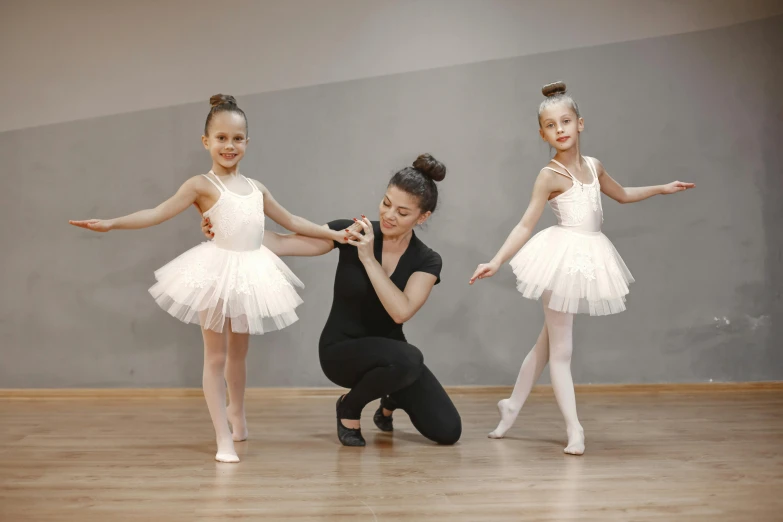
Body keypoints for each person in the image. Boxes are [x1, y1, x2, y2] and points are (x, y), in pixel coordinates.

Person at [70, 95, 345, 463]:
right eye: (221, 138)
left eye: (237, 138)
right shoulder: (200, 185)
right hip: (215, 273)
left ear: (248, 142)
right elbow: (156, 213)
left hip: (251, 274)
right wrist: (112, 223)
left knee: (240, 354)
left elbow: (293, 222)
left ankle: (238, 413)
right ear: (206, 141)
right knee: (215, 357)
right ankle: (222, 439)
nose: (229, 146)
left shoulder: (257, 188)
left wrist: (337, 235)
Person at [469, 81, 695, 455]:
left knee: (547, 344)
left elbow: (622, 195)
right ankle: (575, 429)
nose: (560, 130)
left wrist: (662, 188)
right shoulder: (549, 175)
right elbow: (526, 224)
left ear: (580, 124)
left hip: (587, 257)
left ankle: (511, 407)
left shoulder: (594, 166)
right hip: (560, 260)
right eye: (551, 125)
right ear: (542, 133)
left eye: (566, 121)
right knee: (562, 350)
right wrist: (496, 261)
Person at [201, 153, 462, 447]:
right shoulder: (352, 232)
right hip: (341, 351)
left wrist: (368, 259)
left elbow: (401, 311)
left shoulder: (427, 260)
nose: (389, 215)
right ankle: (349, 408)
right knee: (411, 357)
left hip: (395, 359)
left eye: (402, 212)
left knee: (448, 430)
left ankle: (390, 398)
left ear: (422, 217)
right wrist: (228, 233)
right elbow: (283, 242)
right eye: (386, 203)